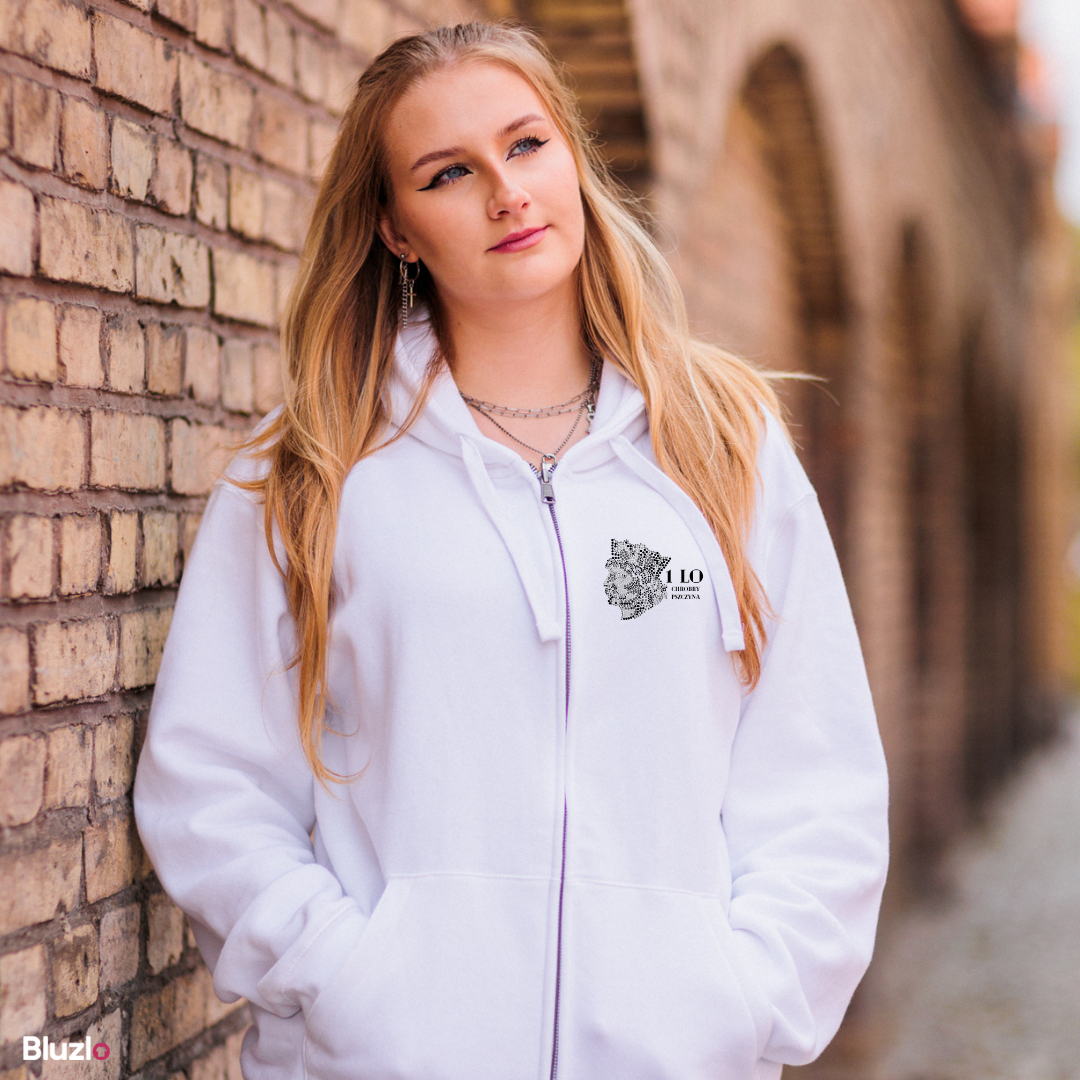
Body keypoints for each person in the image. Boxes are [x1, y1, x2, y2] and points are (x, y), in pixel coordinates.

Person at [133, 21, 889, 1080]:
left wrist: (743, 1002)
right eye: (449, 172)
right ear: (397, 228)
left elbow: (820, 777)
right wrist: (348, 989)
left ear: (571, 159)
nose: (506, 192)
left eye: (527, 145)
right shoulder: (314, 466)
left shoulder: (723, 446)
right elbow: (210, 780)